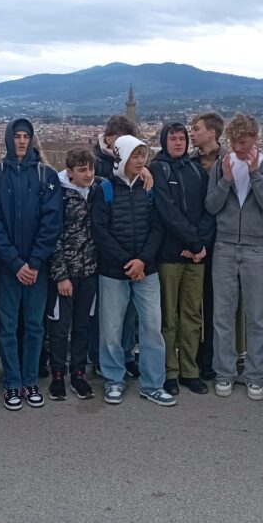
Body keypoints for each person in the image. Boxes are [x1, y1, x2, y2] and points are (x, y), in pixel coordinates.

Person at [91, 135, 174, 406]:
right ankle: (113, 379)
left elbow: (157, 227)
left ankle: (153, 384)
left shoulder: (149, 188)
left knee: (152, 328)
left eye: (143, 155)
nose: (140, 161)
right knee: (112, 329)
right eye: (135, 156)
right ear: (122, 157)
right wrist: (128, 262)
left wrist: (142, 261)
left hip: (146, 270)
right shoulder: (105, 189)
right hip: (114, 271)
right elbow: (100, 231)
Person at [205, 113, 263, 401]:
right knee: (222, 315)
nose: (238, 148)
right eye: (234, 142)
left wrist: (255, 175)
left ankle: (256, 375)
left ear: (255, 139)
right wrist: (225, 180)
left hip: (256, 248)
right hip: (224, 246)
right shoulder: (221, 165)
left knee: (257, 316)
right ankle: (224, 372)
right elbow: (211, 206)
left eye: (244, 142)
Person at [0, 118, 63, 410]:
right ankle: (12, 382)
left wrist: (33, 262)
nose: (21, 141)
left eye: (26, 136)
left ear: (32, 140)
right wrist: (15, 262)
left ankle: (30, 380)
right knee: (7, 327)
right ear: (9, 138)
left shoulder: (46, 175)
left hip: (35, 267)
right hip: (10, 267)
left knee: (34, 326)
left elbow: (51, 222)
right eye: (17, 136)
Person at [151, 122, 215, 396]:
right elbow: (167, 211)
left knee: (192, 315)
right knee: (168, 317)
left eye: (182, 138)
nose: (178, 143)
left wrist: (200, 244)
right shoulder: (158, 169)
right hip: (170, 255)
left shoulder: (196, 170)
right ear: (164, 141)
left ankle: (190, 370)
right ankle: (170, 371)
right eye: (173, 138)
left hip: (195, 256)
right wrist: (195, 242)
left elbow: (209, 209)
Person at [47, 147, 101, 401]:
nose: (88, 174)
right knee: (59, 328)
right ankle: (57, 375)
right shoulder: (59, 195)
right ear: (69, 172)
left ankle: (78, 374)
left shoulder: (97, 190)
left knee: (83, 326)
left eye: (91, 169)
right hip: (65, 274)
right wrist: (60, 275)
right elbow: (53, 236)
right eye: (82, 170)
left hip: (89, 272)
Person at [90, 115, 140, 378]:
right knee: (107, 314)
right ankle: (102, 358)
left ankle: (127, 353)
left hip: (132, 250)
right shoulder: (95, 162)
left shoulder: (136, 164)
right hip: (104, 250)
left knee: (129, 310)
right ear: (108, 139)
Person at [190, 110, 226, 380]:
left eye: (197, 128)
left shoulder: (228, 161)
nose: (192, 133)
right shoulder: (189, 161)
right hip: (196, 239)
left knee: (215, 303)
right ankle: (191, 358)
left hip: (221, 240)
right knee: (192, 304)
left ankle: (210, 359)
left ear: (211, 132)